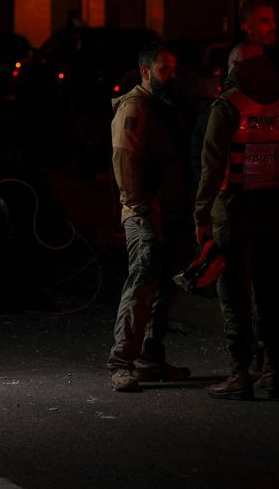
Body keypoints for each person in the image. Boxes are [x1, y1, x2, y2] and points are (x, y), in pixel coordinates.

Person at [194, 43, 279, 400]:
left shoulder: (228, 106)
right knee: (269, 291)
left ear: (236, 65)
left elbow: (212, 166)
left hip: (234, 208)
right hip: (273, 209)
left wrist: (201, 214)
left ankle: (240, 373)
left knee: (234, 292)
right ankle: (272, 371)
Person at [107, 41, 192, 392]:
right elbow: (125, 160)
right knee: (142, 284)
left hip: (166, 209)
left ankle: (150, 359)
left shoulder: (159, 106)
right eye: (164, 70)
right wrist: (140, 210)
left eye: (173, 69)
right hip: (147, 212)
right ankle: (122, 362)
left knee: (161, 287)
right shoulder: (136, 108)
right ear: (146, 72)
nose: (171, 77)